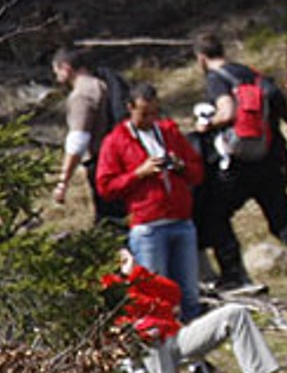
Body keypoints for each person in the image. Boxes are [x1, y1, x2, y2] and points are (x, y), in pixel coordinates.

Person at [192, 33, 287, 296]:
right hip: (270, 161)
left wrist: (206, 124)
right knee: (283, 218)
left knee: (217, 216)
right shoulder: (252, 74)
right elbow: (283, 111)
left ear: (201, 58)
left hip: (236, 165)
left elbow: (227, 111)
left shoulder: (216, 78)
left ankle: (234, 275)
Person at [104, 248, 287, 373]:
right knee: (148, 333)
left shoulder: (136, 277)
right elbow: (128, 314)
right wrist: (127, 286)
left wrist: (136, 274)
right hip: (144, 349)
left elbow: (173, 294)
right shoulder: (105, 287)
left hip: (175, 337)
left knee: (235, 312)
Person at [95, 82, 206, 324]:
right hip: (148, 228)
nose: (150, 119)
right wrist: (138, 174)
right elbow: (105, 186)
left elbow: (197, 172)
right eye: (144, 114)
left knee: (189, 295)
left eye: (154, 113)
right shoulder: (115, 141)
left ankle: (196, 355)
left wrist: (180, 166)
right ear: (129, 108)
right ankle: (162, 352)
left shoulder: (169, 133)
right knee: (154, 296)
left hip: (181, 222)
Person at [50, 49, 126, 225]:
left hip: (102, 164)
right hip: (121, 158)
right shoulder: (103, 84)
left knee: (110, 221)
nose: (56, 77)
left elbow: (78, 140)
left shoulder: (81, 95)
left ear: (66, 68)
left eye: (57, 71)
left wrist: (63, 182)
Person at [188, 100, 251, 291]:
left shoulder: (224, 138)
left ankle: (234, 276)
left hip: (217, 196)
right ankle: (208, 278)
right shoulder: (193, 140)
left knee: (222, 237)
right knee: (203, 239)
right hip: (201, 198)